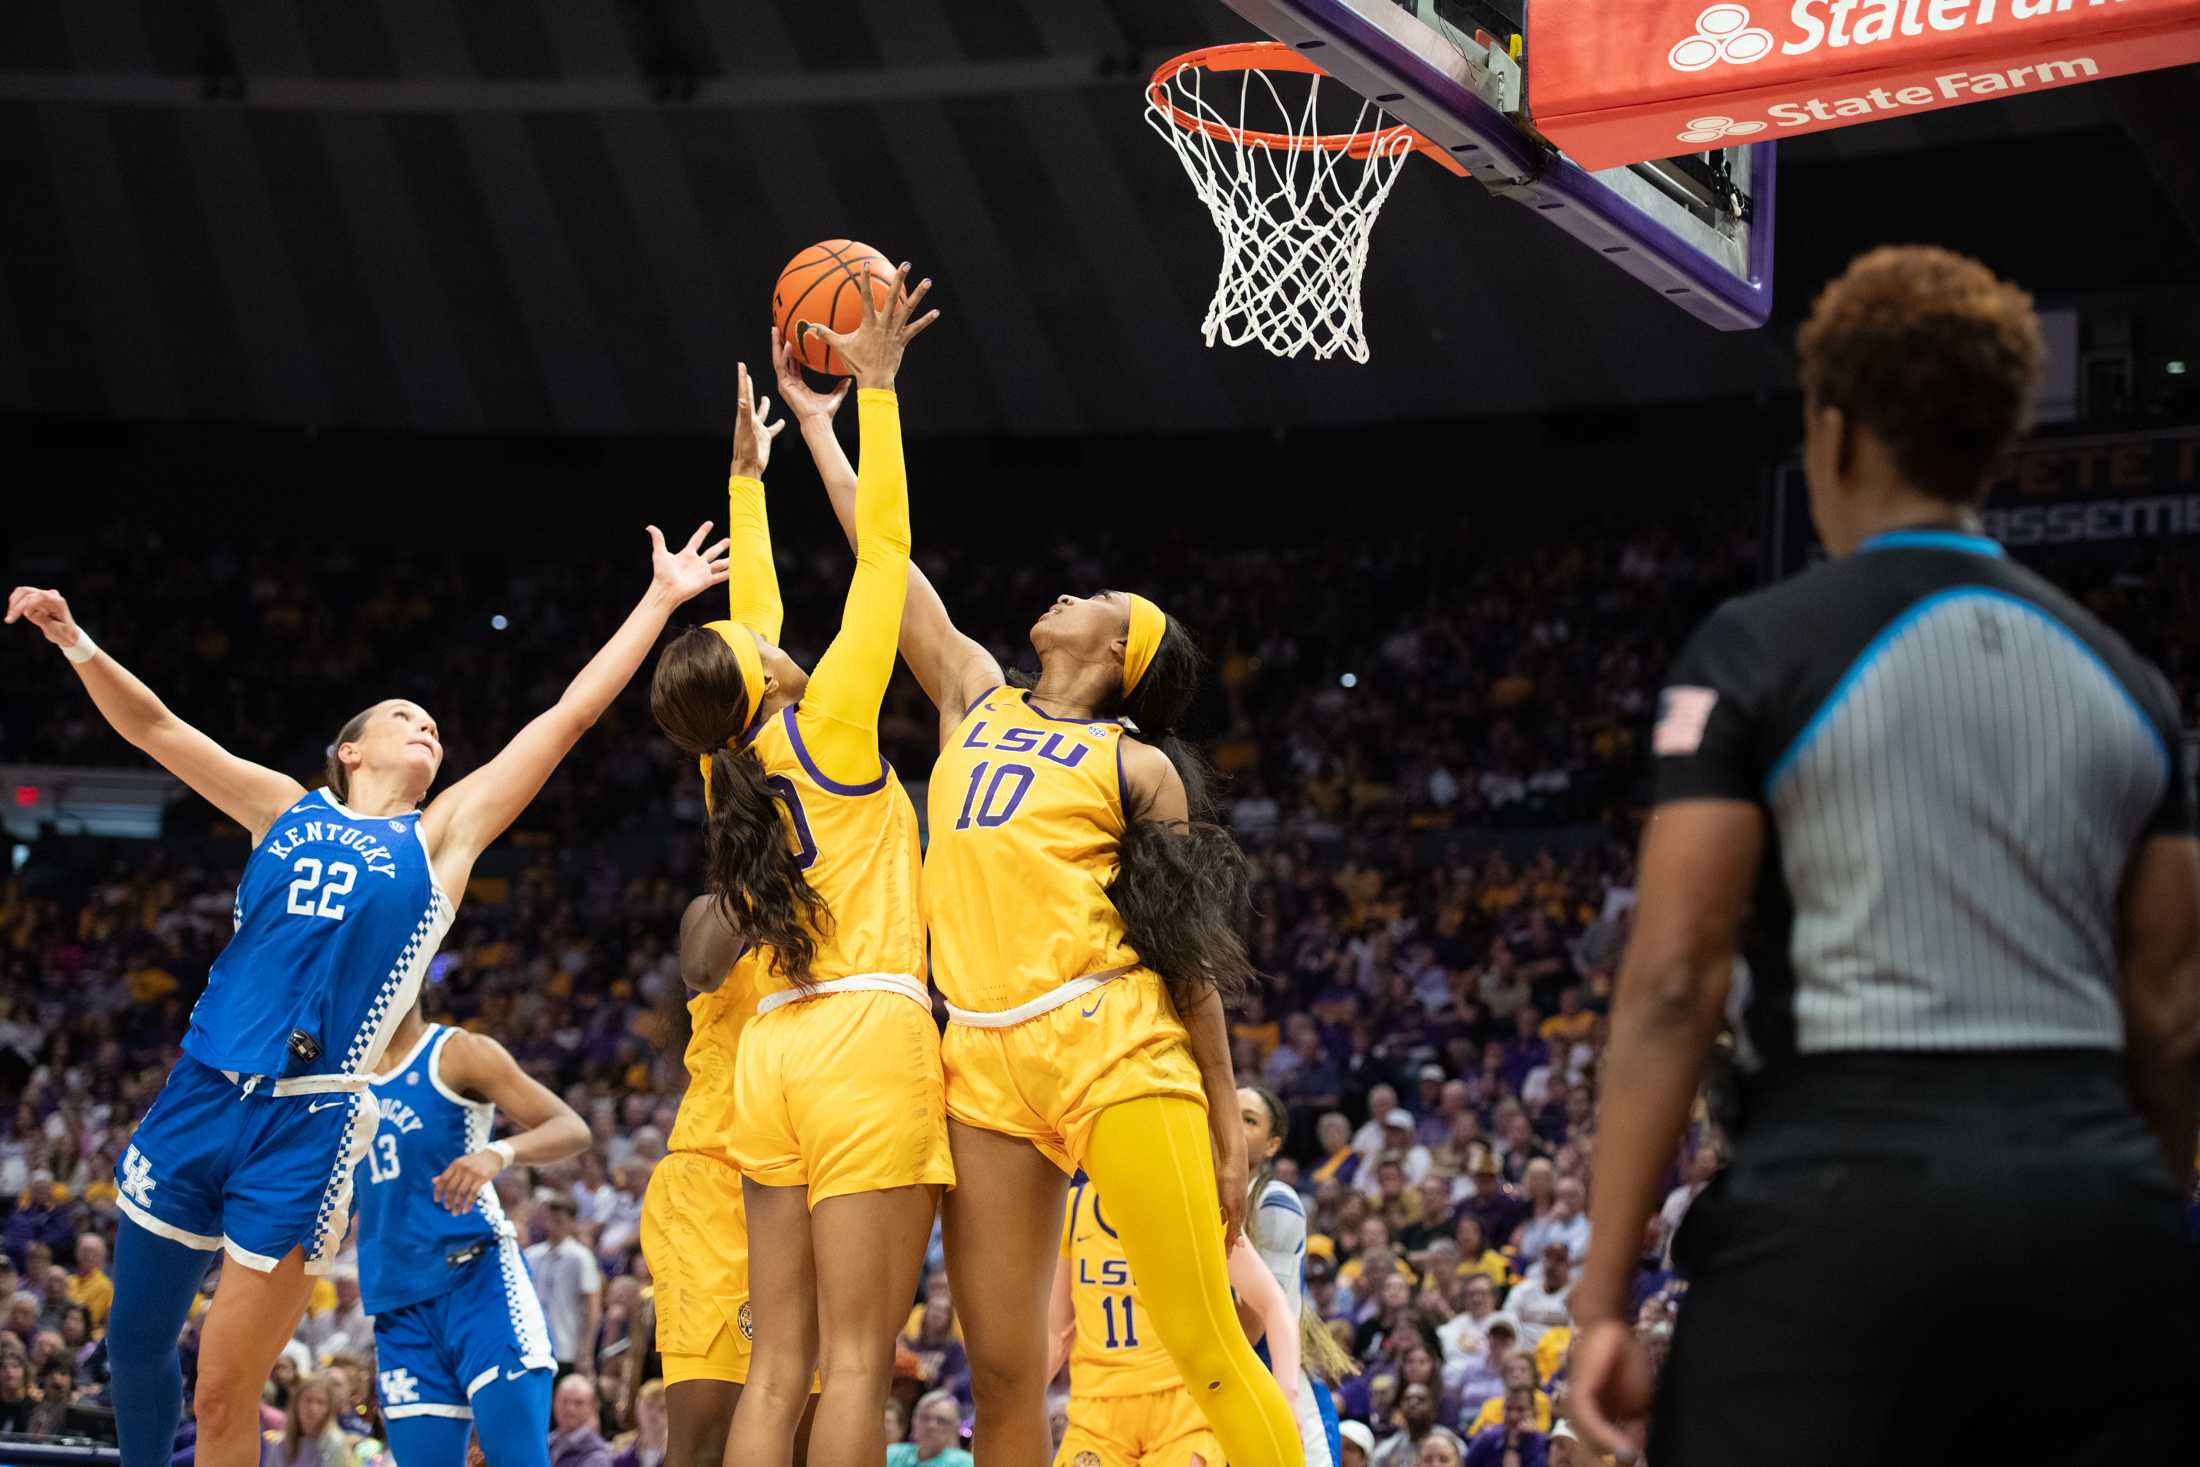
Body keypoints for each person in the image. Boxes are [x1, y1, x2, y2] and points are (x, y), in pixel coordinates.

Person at [1569, 246, 2200, 1466]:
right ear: (1996, 447)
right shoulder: (2127, 679)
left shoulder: (1758, 649)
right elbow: (2172, 1017)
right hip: (2097, 1216)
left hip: (1839, 1207)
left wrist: (1603, 1299)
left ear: (1836, 433)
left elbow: (1671, 984)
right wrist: (2130, 1227)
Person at [6, 521, 727, 1467]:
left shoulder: (441, 839)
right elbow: (157, 728)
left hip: (305, 1128)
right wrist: (75, 640)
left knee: (225, 1389)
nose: (426, 724)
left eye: (433, 722)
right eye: (403, 714)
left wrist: (661, 600)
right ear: (349, 751)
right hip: (199, 1093)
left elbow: (567, 716)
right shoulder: (283, 805)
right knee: (132, 1347)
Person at [795, 299, 1299, 1467]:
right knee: (1009, 1368)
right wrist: (845, 413)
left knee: (1205, 1339)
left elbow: (1191, 965)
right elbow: (887, 558)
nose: (1072, 596)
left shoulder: (1135, 769)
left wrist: (1226, 1117)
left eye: (1099, 602)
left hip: (1114, 1041)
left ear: (1122, 656)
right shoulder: (975, 693)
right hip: (978, 1056)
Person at [674, 271, 949, 1467]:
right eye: (756, 639)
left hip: (769, 1056)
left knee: (775, 1368)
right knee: (851, 1367)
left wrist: (747, 479)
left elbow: (756, 601)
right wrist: (876, 398)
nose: (767, 627)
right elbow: (882, 547)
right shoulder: (828, 720)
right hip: (862, 1040)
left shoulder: (725, 766)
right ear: (761, 672)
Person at [639, 362, 807, 1467]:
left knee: (803, 1430)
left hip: (815, 1156)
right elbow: (757, 630)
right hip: (718, 1168)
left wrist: (749, 481)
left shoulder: (834, 762)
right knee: (707, 1440)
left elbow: (762, 624)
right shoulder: (741, 783)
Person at [354, 998, 589, 1465]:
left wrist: (497, 1154)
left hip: (480, 1286)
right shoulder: (344, 1074)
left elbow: (571, 1128)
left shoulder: (458, 1052)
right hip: (399, 1306)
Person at [1047, 1166, 1290, 1467]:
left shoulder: (1193, 1203)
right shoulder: (1073, 1209)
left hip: (1182, 1406)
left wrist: (1287, 1403)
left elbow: (1271, 1301)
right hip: (1096, 1411)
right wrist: (1014, 1402)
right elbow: (1056, 1332)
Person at [1240, 1085, 1354, 1467]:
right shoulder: (1194, 1200)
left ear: (1272, 1146)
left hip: (1281, 1390)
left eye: (1249, 1120)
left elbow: (1251, 1325)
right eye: (1227, 1113)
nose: (1232, 1126)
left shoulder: (1275, 1200)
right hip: (1226, 1393)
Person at [525, 1195, 603, 1380]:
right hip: (533, 1343)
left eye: (559, 1221)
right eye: (550, 1219)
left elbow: (591, 1307)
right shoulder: (532, 1255)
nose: (553, 1225)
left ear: (571, 1223)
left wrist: (585, 1351)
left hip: (565, 1344)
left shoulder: (581, 1257)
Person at [259, 1372, 352, 1467]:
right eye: (308, 1400)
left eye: (321, 1402)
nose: (313, 1408)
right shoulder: (280, 1444)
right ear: (296, 1403)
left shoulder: (335, 1444)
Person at [1369, 1382, 1461, 1467]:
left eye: (1420, 1399)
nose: (1413, 1403)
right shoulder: (1386, 1450)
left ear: (1432, 1407)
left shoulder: (1453, 1443)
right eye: (1407, 1399)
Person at [1460, 1387, 1544, 1467]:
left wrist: (1513, 1445)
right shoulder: (1487, 1438)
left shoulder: (1541, 1443)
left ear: (1533, 1411)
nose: (1513, 1416)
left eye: (1520, 1410)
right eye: (1508, 1408)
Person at [887, 1390, 973, 1467]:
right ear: (914, 1422)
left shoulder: (965, 1464)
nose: (931, 1426)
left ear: (953, 1428)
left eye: (941, 1420)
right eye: (925, 1418)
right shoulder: (891, 1454)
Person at [549, 1374, 613, 1467]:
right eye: (564, 1401)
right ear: (554, 1402)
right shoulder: (545, 1443)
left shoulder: (596, 1456)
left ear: (592, 1407)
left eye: (578, 1403)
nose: (570, 1409)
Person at [611, 1380, 669, 1467]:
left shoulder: (678, 1450)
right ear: (637, 1406)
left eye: (662, 1408)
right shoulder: (620, 1445)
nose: (654, 1413)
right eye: (649, 1406)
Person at [67, 1233, 112, 1334]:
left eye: (94, 1253)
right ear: (77, 1253)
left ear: (101, 1258)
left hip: (89, 1335)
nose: (88, 1256)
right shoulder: (68, 1281)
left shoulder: (105, 1286)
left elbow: (102, 1320)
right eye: (85, 1251)